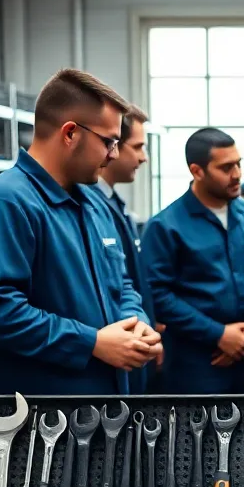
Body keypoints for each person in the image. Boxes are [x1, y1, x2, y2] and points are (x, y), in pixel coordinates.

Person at [0, 68, 161, 395]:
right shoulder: (2, 204)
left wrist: (136, 324)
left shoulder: (93, 204)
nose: (115, 154)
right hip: (37, 421)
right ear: (70, 134)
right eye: (109, 141)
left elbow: (120, 283)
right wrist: (91, 342)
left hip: (103, 410)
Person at [141, 129, 244, 394]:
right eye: (226, 167)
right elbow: (157, 295)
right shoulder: (166, 226)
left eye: (238, 163)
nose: (236, 174)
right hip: (195, 366)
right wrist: (219, 335)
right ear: (197, 171)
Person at [97, 113, 160, 391]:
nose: (144, 157)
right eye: (137, 146)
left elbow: (125, 283)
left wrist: (146, 324)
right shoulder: (92, 208)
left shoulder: (113, 206)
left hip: (133, 347)